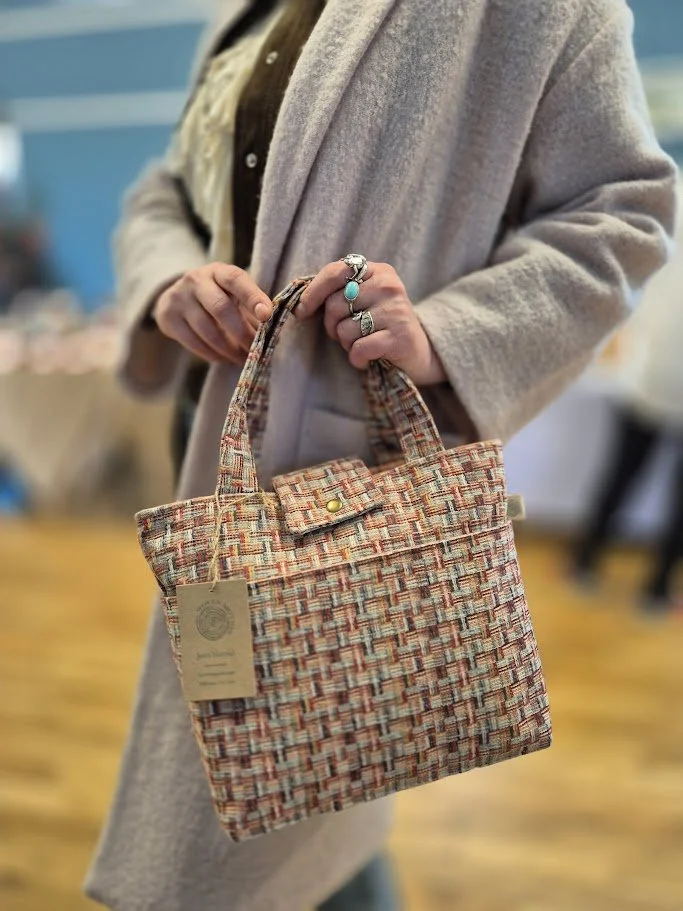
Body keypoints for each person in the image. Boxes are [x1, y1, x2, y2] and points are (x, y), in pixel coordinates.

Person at [85, 1, 678, 909]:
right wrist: (170, 278)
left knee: (246, 832)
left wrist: (445, 333)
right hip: (216, 481)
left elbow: (625, 211)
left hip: (342, 498)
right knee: (304, 795)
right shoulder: (243, 12)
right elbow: (166, 187)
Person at [571, 182, 683, 614]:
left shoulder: (670, 205)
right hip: (649, 371)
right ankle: (655, 589)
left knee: (622, 472)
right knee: (638, 478)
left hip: (648, 371)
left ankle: (586, 562)